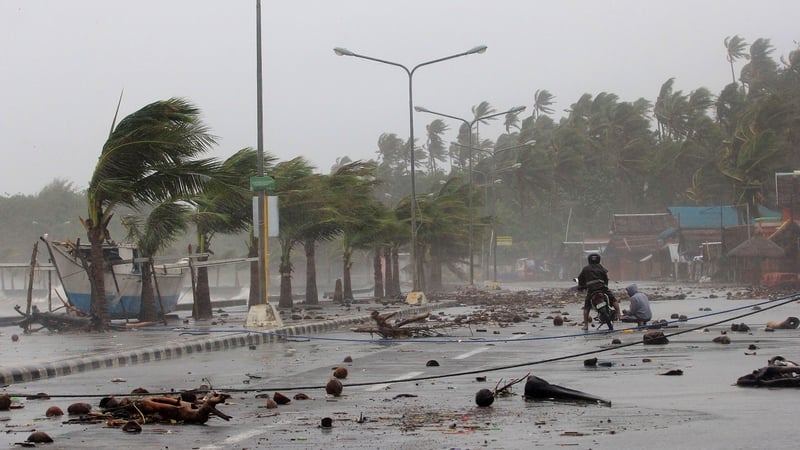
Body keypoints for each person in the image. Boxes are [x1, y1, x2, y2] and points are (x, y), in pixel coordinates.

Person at [576, 253, 620, 330]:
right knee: (613, 299)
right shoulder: (601, 267)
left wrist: (581, 287)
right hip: (602, 289)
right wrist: (605, 286)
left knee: (586, 307)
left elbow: (580, 279)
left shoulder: (585, 269)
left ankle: (586, 325)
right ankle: (619, 314)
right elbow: (606, 278)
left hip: (591, 290)